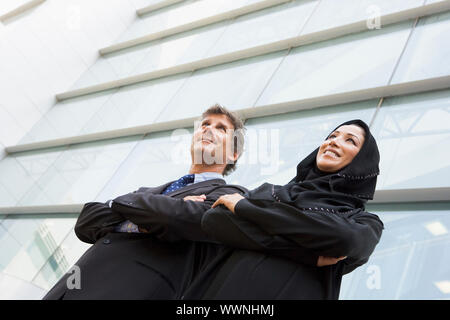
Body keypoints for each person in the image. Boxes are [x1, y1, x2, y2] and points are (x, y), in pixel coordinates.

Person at [43, 104, 247, 299]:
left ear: (233, 154)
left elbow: (182, 219)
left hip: (129, 290)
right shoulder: (148, 192)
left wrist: (124, 210)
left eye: (221, 128)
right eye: (205, 124)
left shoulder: (231, 194)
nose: (208, 129)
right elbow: (87, 221)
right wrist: (147, 210)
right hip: (70, 287)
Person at [181, 119, 384, 300]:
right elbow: (215, 220)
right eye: (332, 136)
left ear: (363, 162)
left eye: (351, 140)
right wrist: (308, 255)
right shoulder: (269, 192)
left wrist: (247, 208)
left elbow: (345, 240)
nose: (334, 141)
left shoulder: (363, 221)